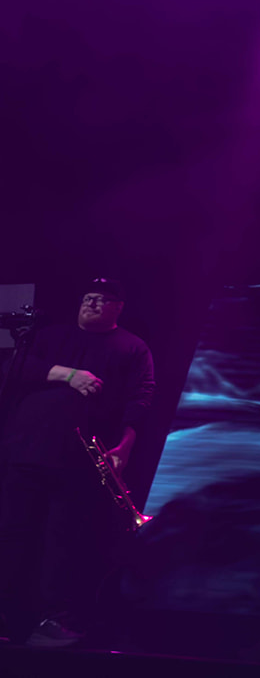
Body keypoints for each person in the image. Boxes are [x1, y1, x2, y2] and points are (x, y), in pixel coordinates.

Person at [0, 278, 156, 648]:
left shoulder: (133, 347)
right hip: (27, 452)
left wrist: (125, 445)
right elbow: (14, 369)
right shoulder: (47, 336)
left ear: (118, 307)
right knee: (12, 536)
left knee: (65, 543)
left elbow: (141, 398)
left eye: (101, 299)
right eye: (87, 297)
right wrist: (70, 375)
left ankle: (55, 620)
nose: (91, 303)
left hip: (80, 460)